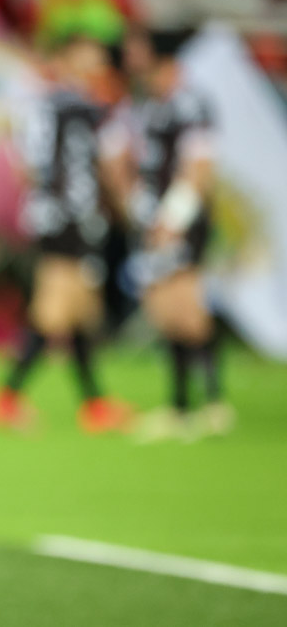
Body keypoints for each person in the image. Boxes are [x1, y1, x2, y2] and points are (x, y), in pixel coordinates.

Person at [0, 33, 131, 433]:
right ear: (65, 61)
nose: (95, 68)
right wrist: (124, 205)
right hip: (72, 215)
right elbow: (111, 165)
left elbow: (24, 167)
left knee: (80, 308)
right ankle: (6, 397)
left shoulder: (37, 106)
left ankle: (94, 403)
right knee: (56, 308)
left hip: (49, 214)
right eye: (87, 59)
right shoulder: (91, 109)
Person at [102, 27, 232, 442]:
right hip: (151, 218)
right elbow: (118, 157)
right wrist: (136, 204)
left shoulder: (190, 104)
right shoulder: (142, 104)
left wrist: (173, 217)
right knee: (164, 310)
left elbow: (200, 167)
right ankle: (183, 407)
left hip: (180, 222)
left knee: (185, 309)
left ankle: (209, 404)